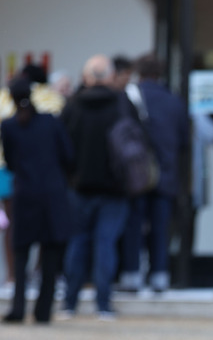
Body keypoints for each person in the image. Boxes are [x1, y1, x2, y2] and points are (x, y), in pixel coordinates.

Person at [58, 55, 131, 320]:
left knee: (77, 244)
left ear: (87, 77)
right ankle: (103, 305)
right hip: (115, 188)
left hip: (79, 186)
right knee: (106, 244)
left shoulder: (73, 105)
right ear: (110, 77)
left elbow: (61, 146)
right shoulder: (121, 103)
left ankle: (69, 303)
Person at [1, 77, 74, 324]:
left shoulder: (9, 126)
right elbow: (68, 155)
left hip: (24, 194)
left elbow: (10, 162)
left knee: (21, 254)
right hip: (52, 194)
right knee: (51, 256)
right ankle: (43, 311)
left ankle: (18, 308)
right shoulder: (50, 122)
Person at [117, 53, 189, 293]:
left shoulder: (128, 97)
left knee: (133, 224)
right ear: (160, 73)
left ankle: (131, 274)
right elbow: (183, 141)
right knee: (161, 226)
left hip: (136, 173)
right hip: (166, 173)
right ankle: (159, 274)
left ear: (139, 72)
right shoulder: (174, 101)